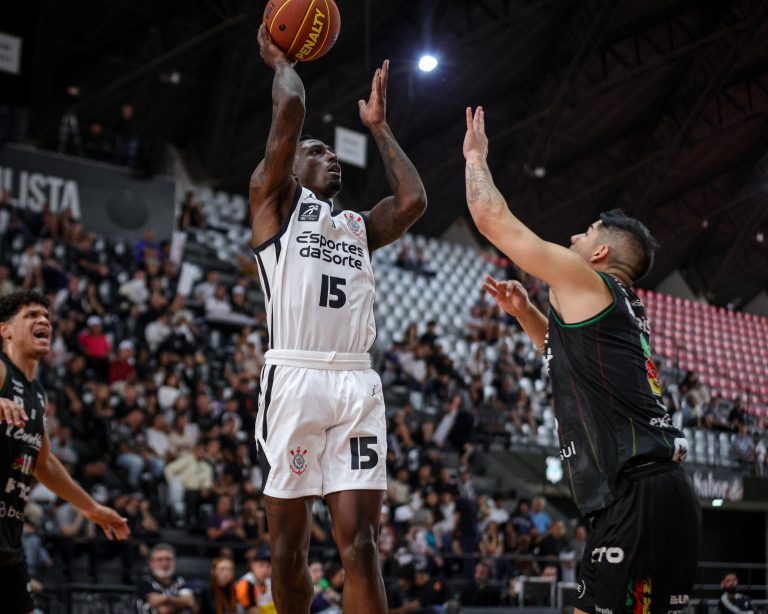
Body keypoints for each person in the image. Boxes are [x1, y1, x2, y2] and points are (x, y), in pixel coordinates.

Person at [462, 106, 700, 614]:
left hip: (636, 493)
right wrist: (526, 314)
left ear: (599, 255)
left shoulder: (588, 281)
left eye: (587, 232)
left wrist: (475, 157)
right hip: (666, 492)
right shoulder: (620, 310)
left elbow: (489, 219)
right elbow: (563, 357)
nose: (574, 237)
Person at [249, 24, 427, 614]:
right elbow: (290, 111)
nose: (330, 157)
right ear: (290, 165)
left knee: (362, 549)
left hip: (355, 380)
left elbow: (412, 202)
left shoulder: (356, 227)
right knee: (288, 552)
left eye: (333, 152)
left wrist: (379, 127)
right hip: (295, 376)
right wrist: (281, 61)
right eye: (316, 151)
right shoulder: (273, 201)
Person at [0, 290, 130, 614]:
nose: (43, 320)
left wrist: (90, 508)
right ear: (6, 330)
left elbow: (44, 464)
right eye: (31, 315)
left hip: (8, 538)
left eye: (46, 316)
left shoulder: (37, 395)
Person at [136, 543, 196, 614]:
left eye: (168, 559)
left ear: (174, 562)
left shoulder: (180, 580)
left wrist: (166, 599)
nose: (164, 563)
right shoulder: (145, 581)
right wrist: (178, 601)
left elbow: (189, 601)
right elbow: (163, 610)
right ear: (151, 563)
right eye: (159, 559)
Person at [235, 547, 276, 614]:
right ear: (252, 565)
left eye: (269, 565)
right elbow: (252, 611)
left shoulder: (270, 582)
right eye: (261, 565)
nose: (265, 569)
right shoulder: (245, 583)